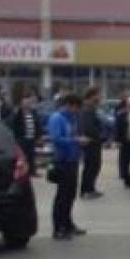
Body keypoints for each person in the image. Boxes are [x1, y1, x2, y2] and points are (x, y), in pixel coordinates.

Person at [47, 94, 88, 240]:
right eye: (76, 107)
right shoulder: (57, 118)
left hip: (73, 160)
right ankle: (58, 228)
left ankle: (68, 223)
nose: (77, 111)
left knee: (70, 194)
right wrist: (75, 140)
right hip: (62, 160)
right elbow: (56, 139)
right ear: (70, 105)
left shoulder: (72, 119)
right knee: (62, 196)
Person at [7, 89, 41, 177]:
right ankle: (21, 172)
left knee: (31, 156)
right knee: (22, 157)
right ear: (22, 102)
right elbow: (12, 124)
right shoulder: (18, 112)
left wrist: (38, 136)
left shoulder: (33, 112)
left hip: (31, 139)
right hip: (21, 139)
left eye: (29, 101)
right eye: (26, 101)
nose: (28, 103)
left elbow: (37, 125)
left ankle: (32, 171)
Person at [78, 87, 104, 199]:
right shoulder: (87, 109)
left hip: (94, 141)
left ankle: (91, 188)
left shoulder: (92, 108)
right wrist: (99, 135)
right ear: (92, 95)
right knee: (91, 166)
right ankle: (86, 190)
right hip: (90, 142)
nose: (99, 97)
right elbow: (88, 127)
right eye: (98, 95)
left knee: (95, 166)